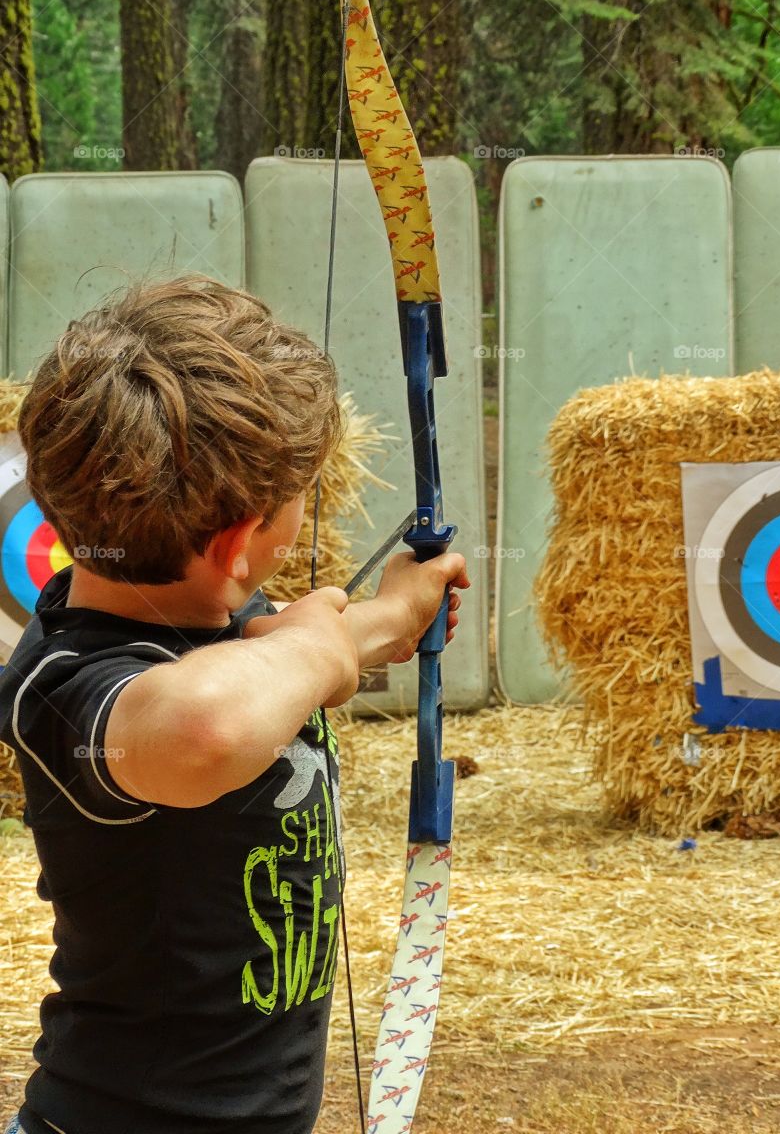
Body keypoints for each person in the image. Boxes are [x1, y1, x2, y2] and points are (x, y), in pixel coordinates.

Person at [0, 275, 469, 1134]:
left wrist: (387, 621)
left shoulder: (215, 622)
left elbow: (267, 657)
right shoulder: (66, 685)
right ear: (239, 540)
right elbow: (202, 727)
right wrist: (327, 646)